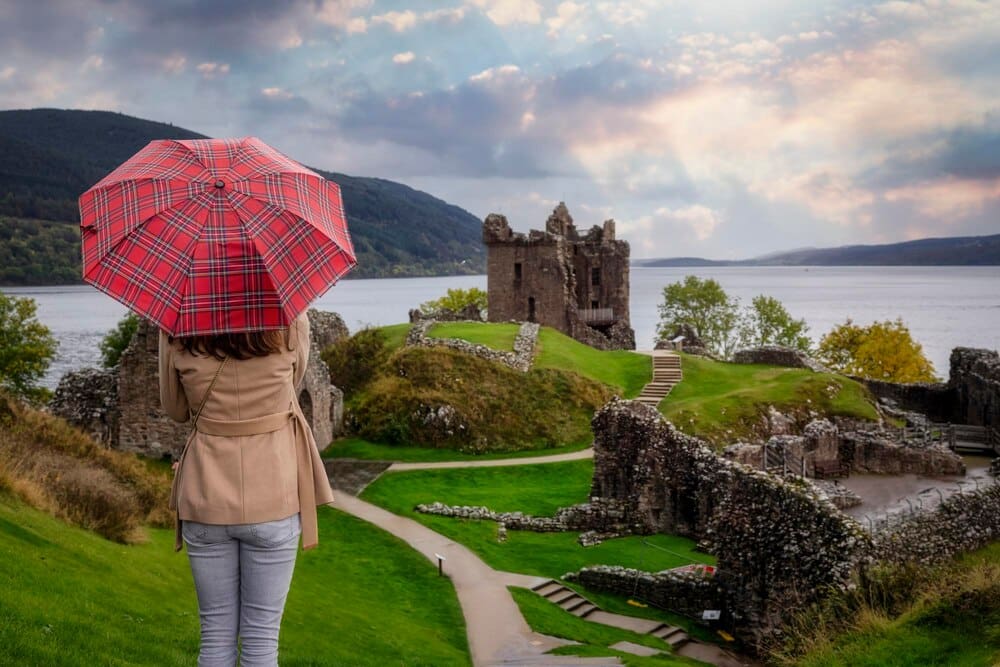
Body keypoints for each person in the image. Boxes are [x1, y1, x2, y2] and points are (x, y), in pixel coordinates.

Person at [159, 311, 335, 667]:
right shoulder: (291, 319)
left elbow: (176, 410)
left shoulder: (176, 325)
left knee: (215, 636)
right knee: (261, 640)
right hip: (274, 493)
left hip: (206, 495)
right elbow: (292, 386)